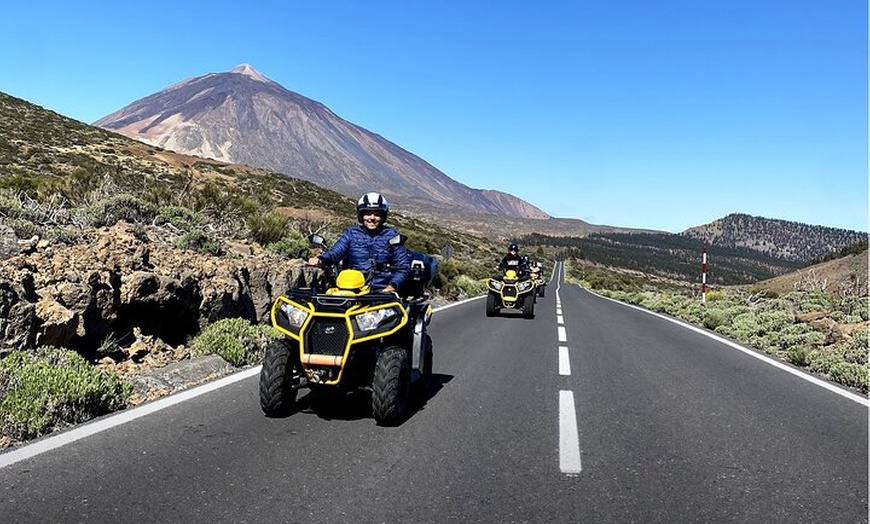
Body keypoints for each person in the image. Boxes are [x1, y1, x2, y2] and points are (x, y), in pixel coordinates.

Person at [308, 192, 410, 294]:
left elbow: (404, 266)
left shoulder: (392, 236)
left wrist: (392, 286)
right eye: (368, 214)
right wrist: (321, 259)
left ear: (383, 216)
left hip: (382, 292)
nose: (372, 218)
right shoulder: (351, 233)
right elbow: (336, 252)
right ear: (361, 215)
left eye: (377, 214)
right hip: (353, 290)